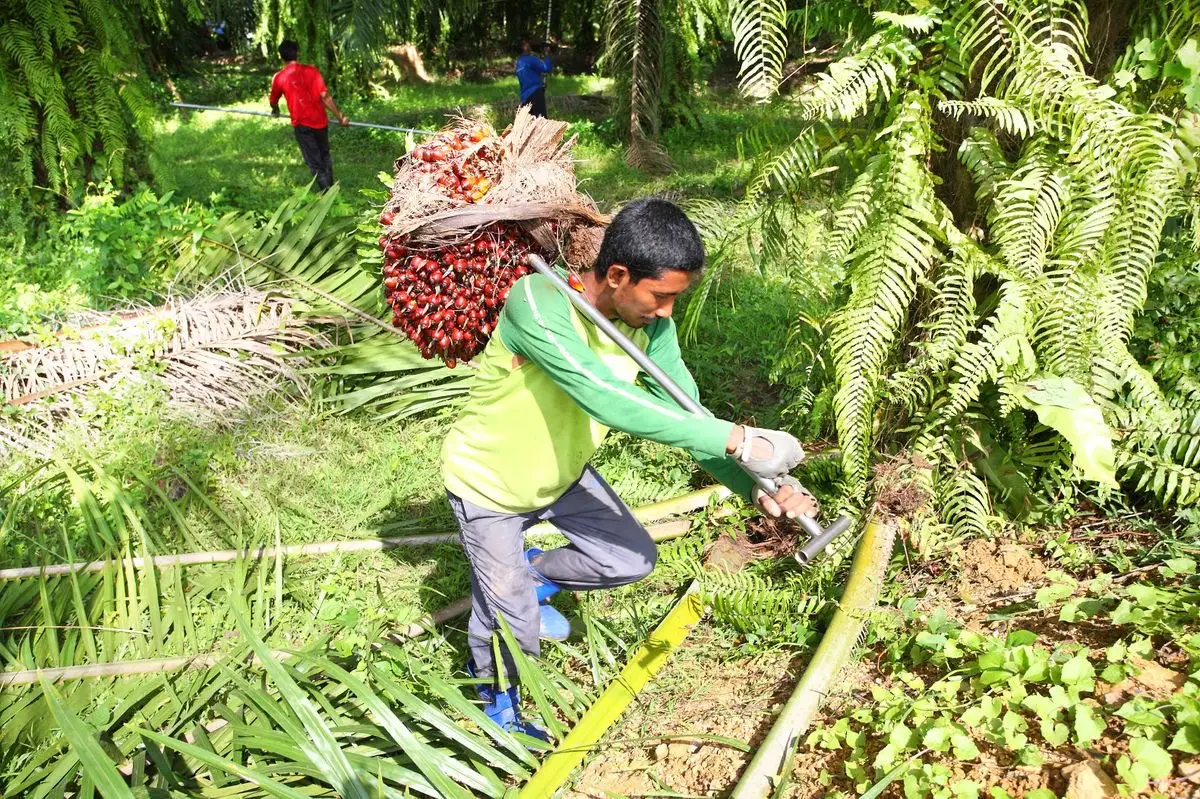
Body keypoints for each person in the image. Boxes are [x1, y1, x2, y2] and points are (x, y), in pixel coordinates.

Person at [440, 198, 819, 739]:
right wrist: (738, 439)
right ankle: (499, 709)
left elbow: (687, 415)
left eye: (674, 298)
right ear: (617, 275)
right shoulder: (538, 301)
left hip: (562, 474)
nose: (666, 311)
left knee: (629, 559)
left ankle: (532, 570)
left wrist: (758, 485)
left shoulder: (652, 329)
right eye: (659, 296)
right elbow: (602, 396)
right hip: (491, 487)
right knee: (513, 626)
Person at [269, 40, 349, 191]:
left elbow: (273, 100)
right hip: (320, 121)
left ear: (281, 57)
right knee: (324, 155)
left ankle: (327, 194)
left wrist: (275, 110)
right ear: (298, 53)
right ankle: (331, 189)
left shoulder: (279, 77)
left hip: (302, 124)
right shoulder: (312, 71)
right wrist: (340, 118)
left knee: (314, 160)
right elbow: (325, 96)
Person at [516, 40, 552, 117]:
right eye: (527, 44)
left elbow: (529, 75)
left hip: (525, 97)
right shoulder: (531, 59)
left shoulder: (519, 63)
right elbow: (546, 68)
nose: (530, 46)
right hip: (535, 93)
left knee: (531, 121)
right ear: (524, 47)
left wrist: (540, 82)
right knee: (541, 120)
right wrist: (547, 54)